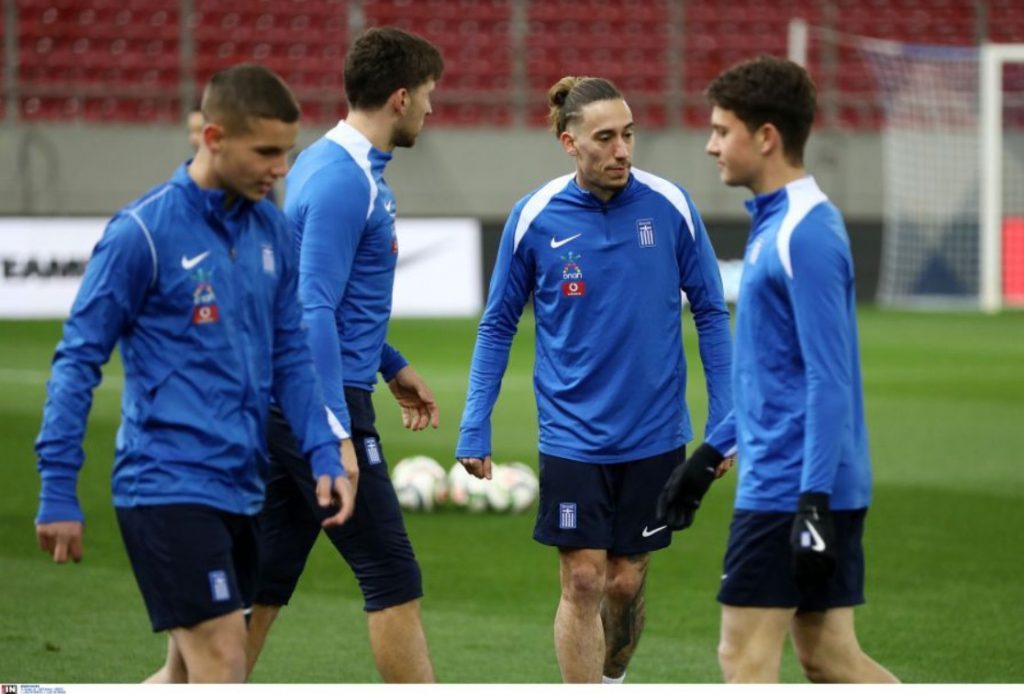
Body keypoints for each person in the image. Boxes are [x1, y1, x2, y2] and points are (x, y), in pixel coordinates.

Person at [33, 64, 356, 684]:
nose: (281, 168)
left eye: (287, 151)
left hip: (242, 486)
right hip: (168, 484)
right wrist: (57, 486)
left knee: (186, 677)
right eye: (265, 152)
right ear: (213, 138)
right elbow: (77, 360)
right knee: (225, 664)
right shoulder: (142, 234)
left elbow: (290, 354)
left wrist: (322, 449)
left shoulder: (271, 230)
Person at [456, 76, 734, 684]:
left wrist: (725, 418)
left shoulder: (671, 206)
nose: (622, 150)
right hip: (571, 433)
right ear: (569, 142)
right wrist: (475, 421)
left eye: (628, 135)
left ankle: (612, 680)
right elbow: (498, 323)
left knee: (625, 581)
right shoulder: (534, 217)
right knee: (583, 577)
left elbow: (712, 312)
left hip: (655, 431)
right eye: (605, 138)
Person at [657, 55, 900, 684]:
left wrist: (812, 500)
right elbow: (772, 377)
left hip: (793, 487)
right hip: (796, 479)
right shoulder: (776, 225)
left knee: (741, 655)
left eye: (722, 130)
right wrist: (710, 456)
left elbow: (829, 378)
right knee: (828, 656)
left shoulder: (804, 233)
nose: (711, 145)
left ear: (766, 136)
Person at [245, 27, 442, 683]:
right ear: (400, 97)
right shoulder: (343, 180)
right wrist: (334, 431)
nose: (431, 109)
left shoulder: (330, 164)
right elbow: (312, 308)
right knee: (392, 574)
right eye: (428, 94)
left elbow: (329, 295)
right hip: (316, 402)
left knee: (265, 582)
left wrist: (390, 362)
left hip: (292, 397)